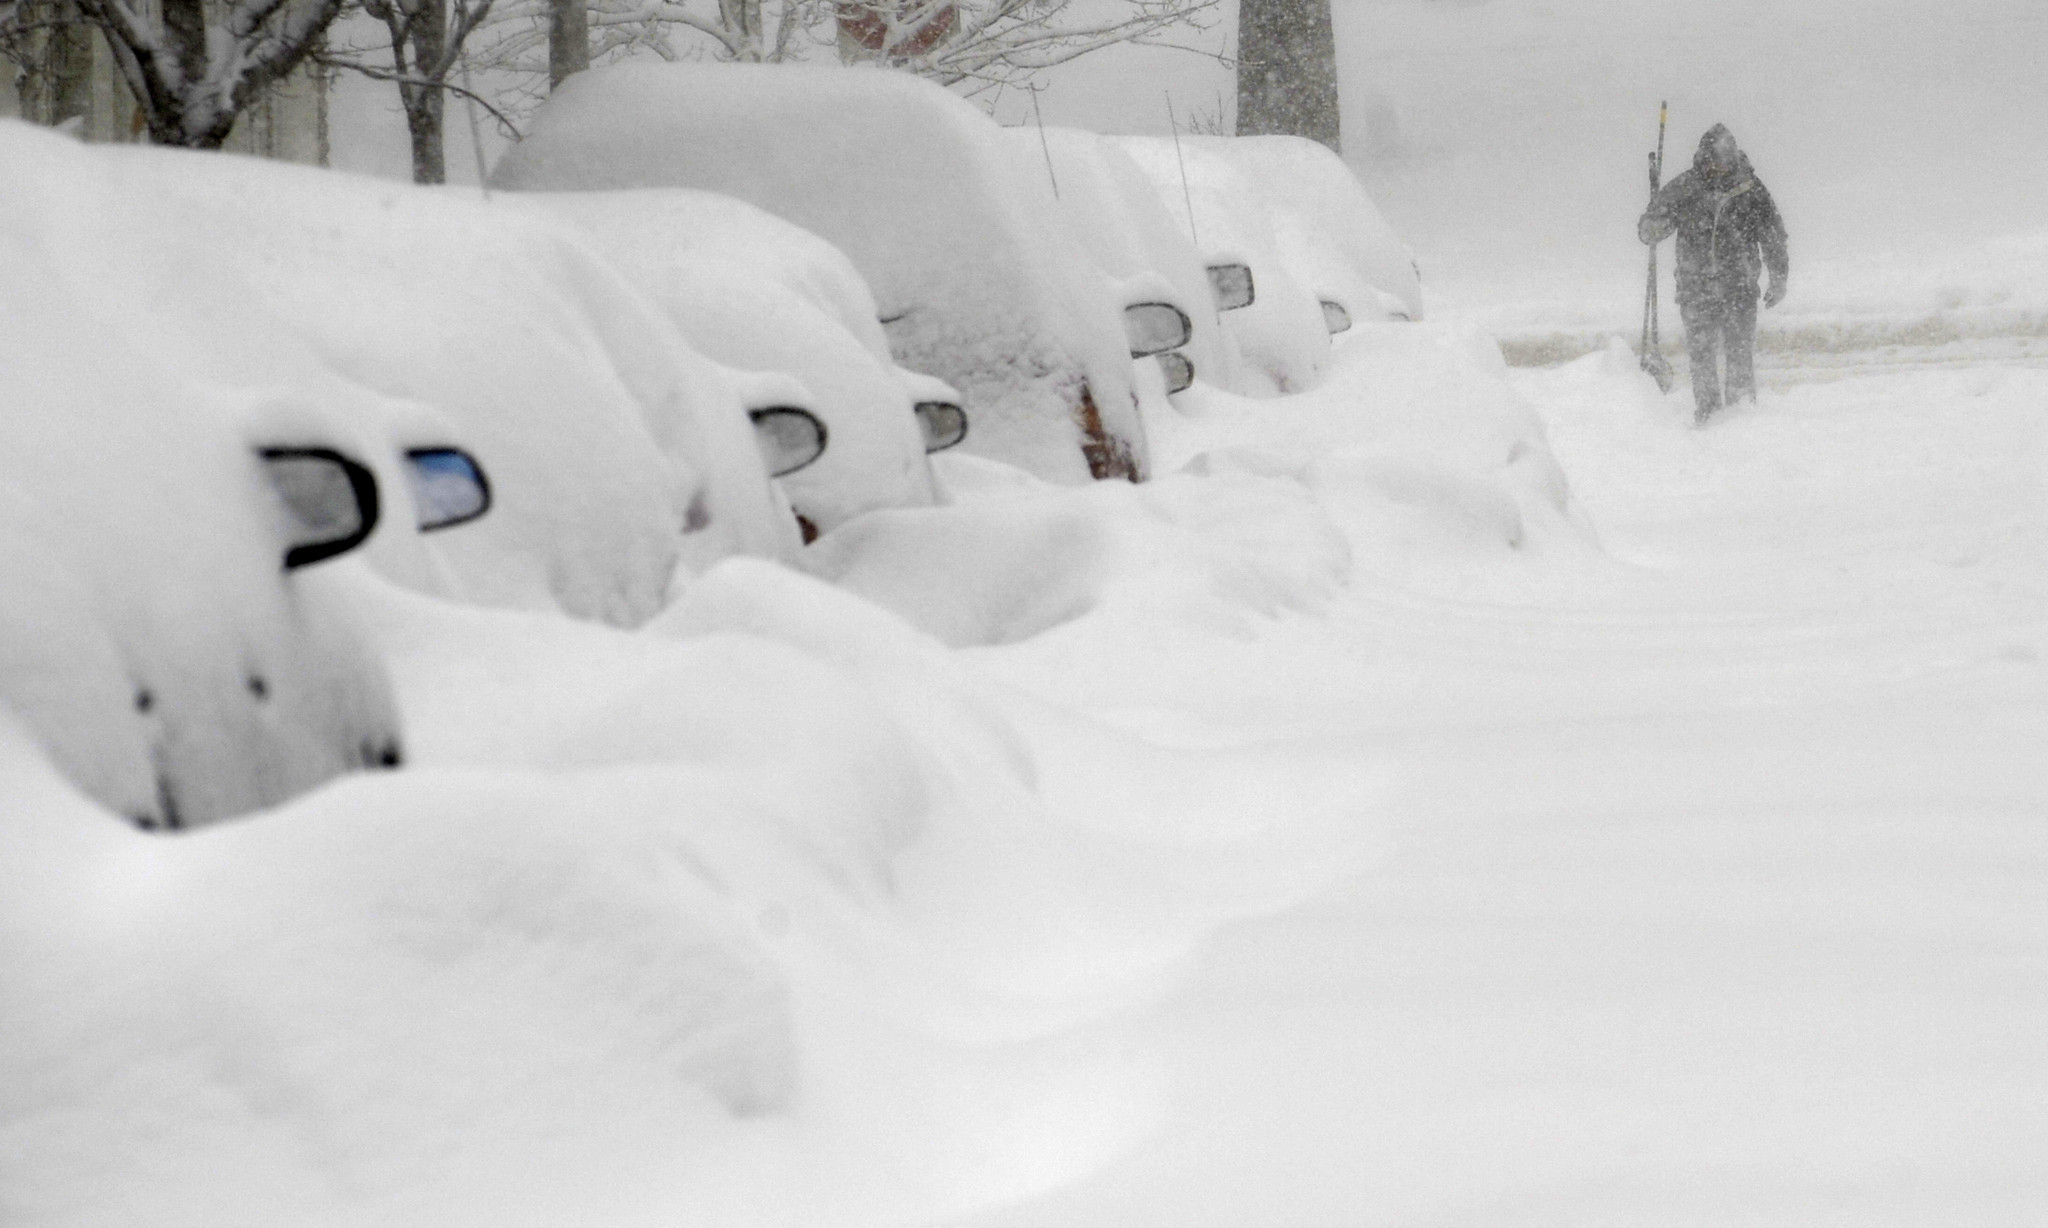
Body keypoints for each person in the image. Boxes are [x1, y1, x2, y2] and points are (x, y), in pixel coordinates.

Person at [1639, 124, 1789, 423]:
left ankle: (1742, 419)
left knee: (1739, 357)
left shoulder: (1751, 188)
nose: (1722, 163)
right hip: (1696, 290)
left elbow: (1772, 234)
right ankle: (1708, 417)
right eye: (1716, 156)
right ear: (1705, 156)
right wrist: (1656, 223)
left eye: (1727, 155)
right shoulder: (1686, 188)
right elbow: (1648, 231)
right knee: (1702, 358)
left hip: (1740, 288)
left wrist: (1779, 276)